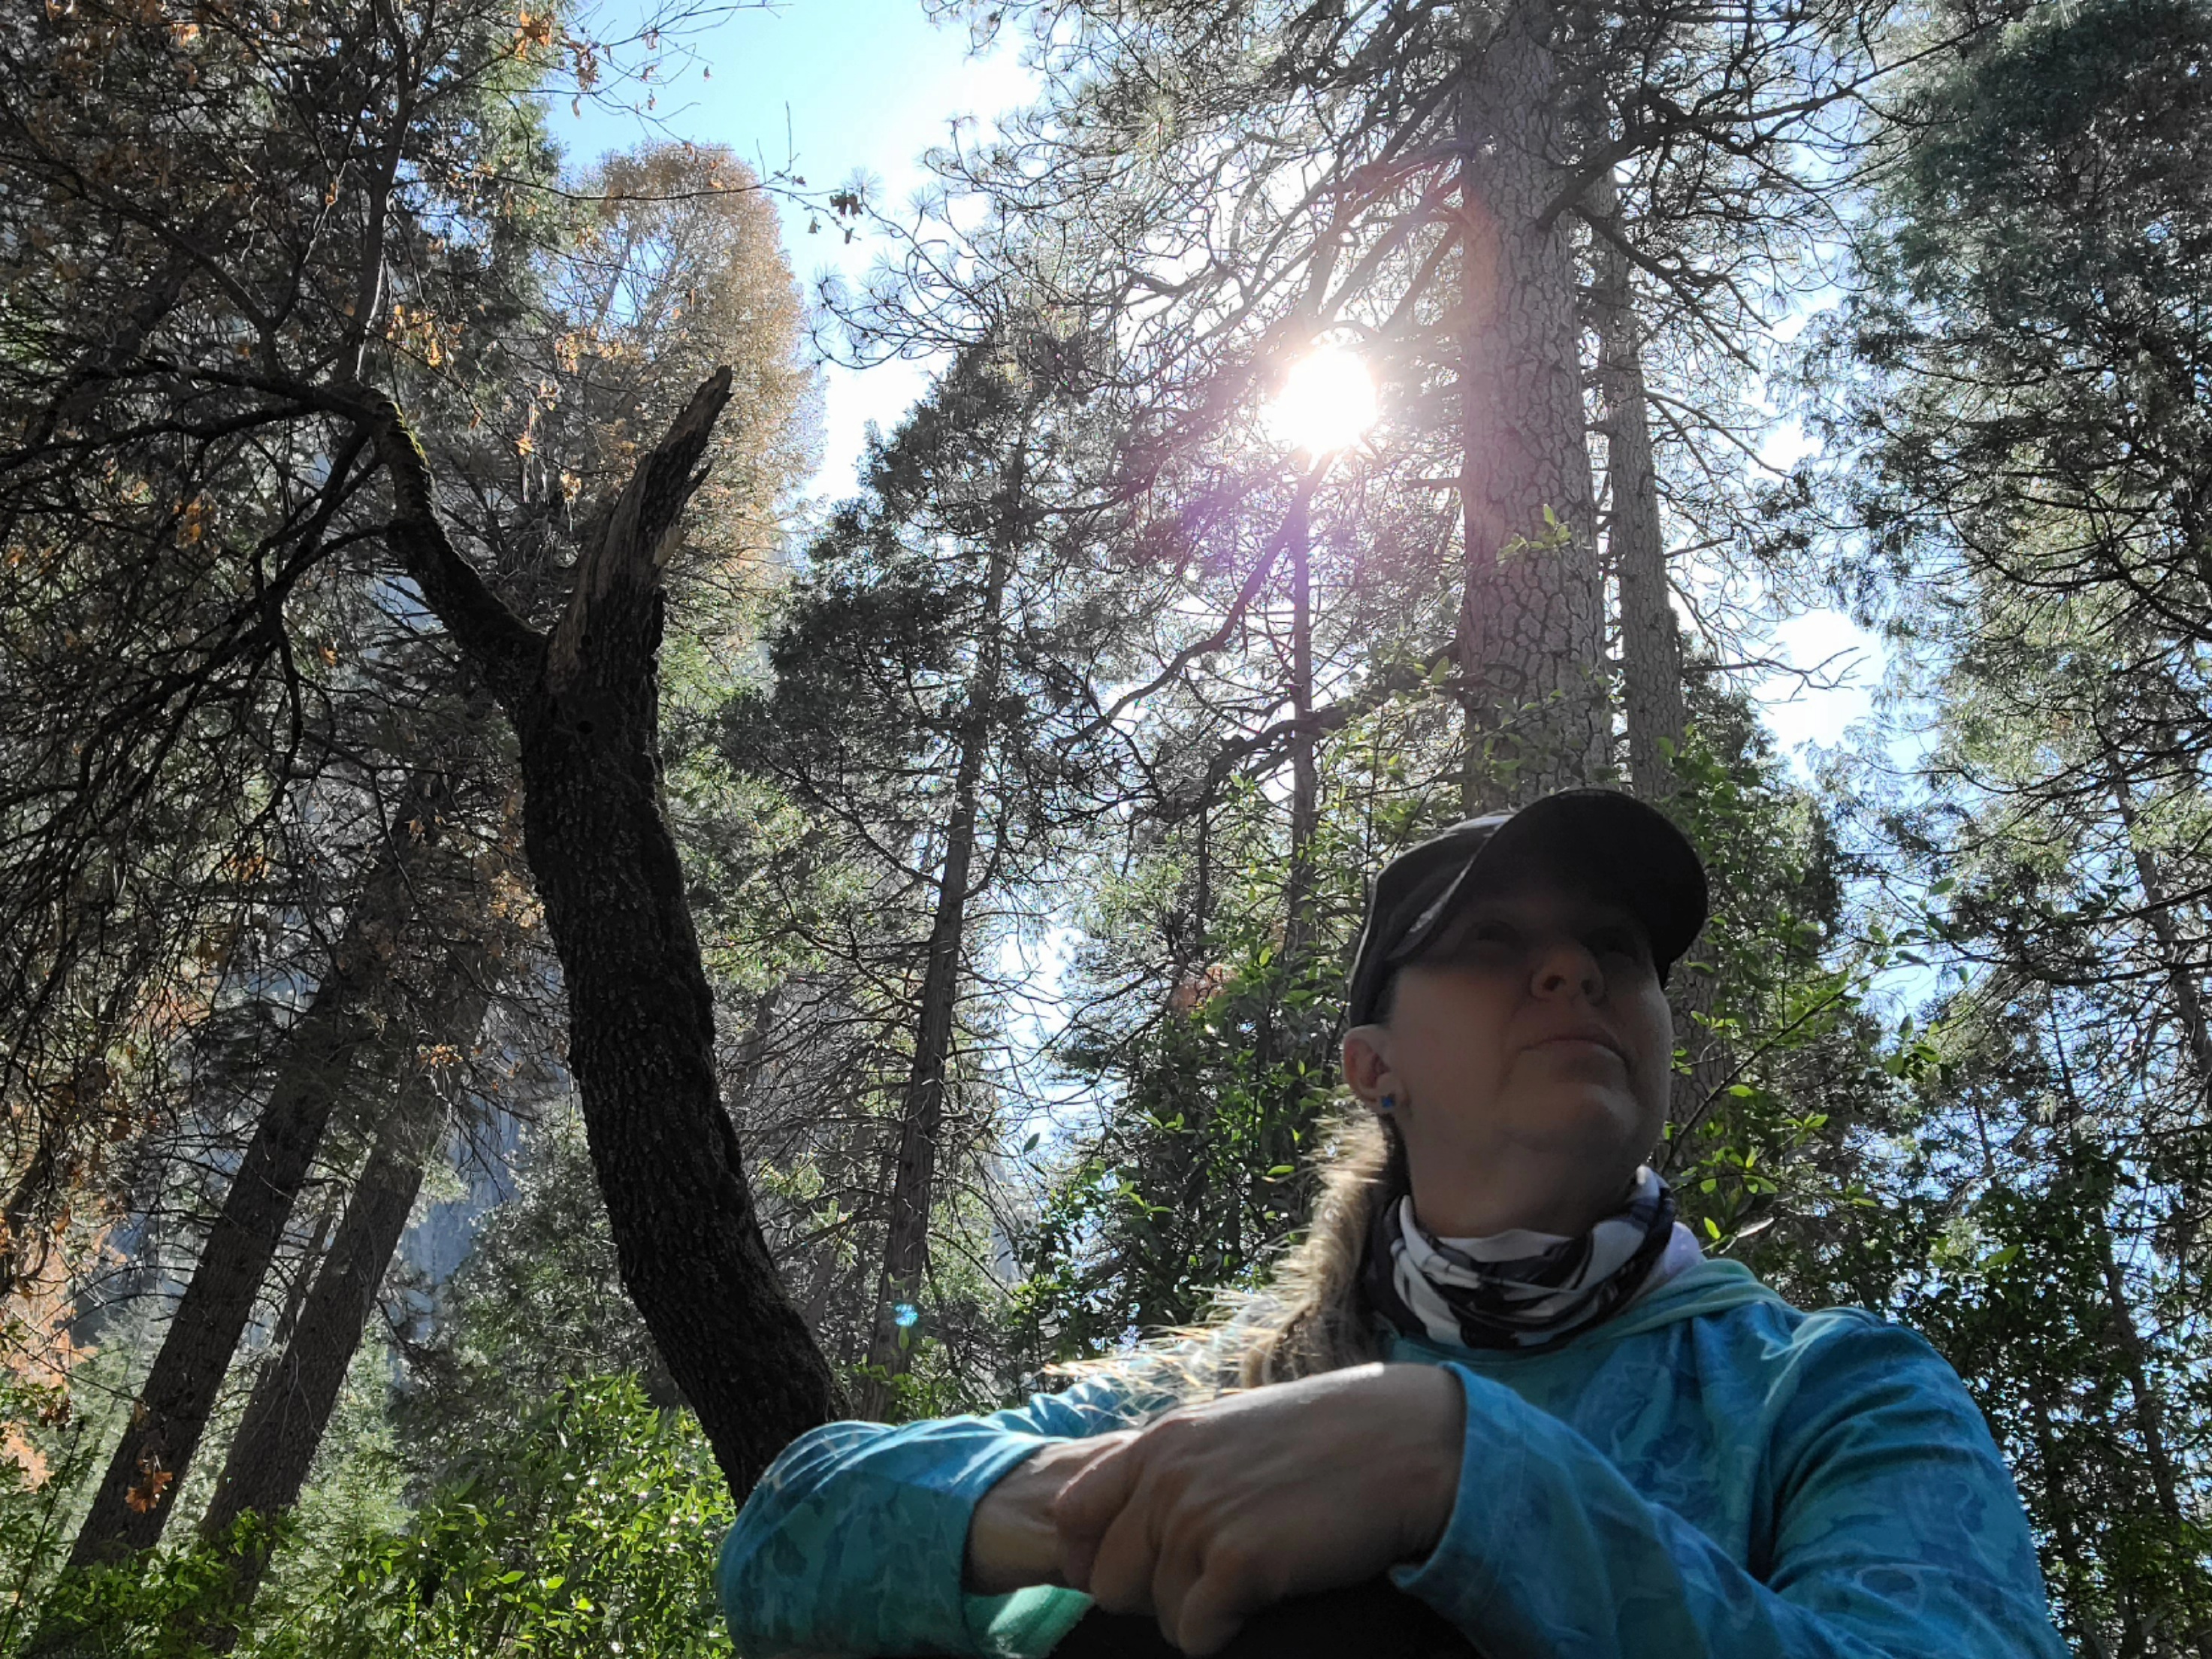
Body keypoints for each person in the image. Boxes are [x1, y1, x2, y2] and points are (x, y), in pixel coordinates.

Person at [717, 788, 2068, 1659]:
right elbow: (791, 1532)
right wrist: (1125, 1508)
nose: (1574, 968)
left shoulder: (1832, 1392)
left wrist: (1463, 1470)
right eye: (1492, 942)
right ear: (1376, 1070)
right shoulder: (1231, 1391)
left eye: (1620, 949)